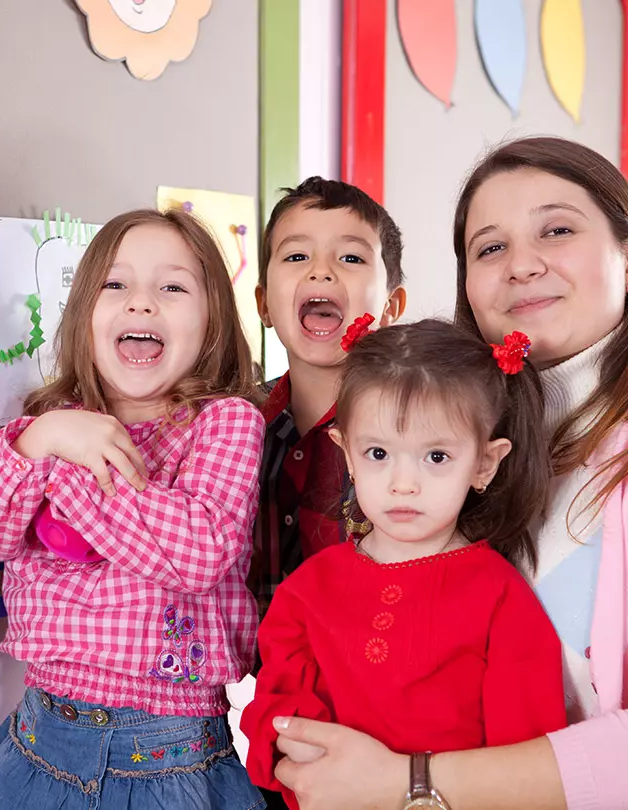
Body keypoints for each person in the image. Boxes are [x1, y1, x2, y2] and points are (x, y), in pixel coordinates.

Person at [267, 137, 628, 810]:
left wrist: (409, 782)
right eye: (490, 247)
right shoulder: (464, 447)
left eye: (557, 229)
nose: (522, 265)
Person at [0, 209, 267, 810]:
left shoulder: (223, 423)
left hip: (169, 762)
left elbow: (197, 552)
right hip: (41, 746)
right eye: (115, 285)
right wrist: (40, 441)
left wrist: (72, 476)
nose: (141, 303)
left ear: (213, 321)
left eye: (172, 287)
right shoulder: (50, 426)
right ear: (85, 317)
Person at [241, 318, 566, 809]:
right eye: (378, 453)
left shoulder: (500, 597)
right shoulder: (306, 591)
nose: (403, 483)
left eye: (435, 457)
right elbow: (276, 708)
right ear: (345, 454)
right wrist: (296, 741)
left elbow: (526, 761)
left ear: (484, 463)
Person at [252, 177, 406, 620]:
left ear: (391, 308)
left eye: (352, 257)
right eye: (297, 256)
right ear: (264, 304)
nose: (321, 271)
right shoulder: (234, 424)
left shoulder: (414, 428)